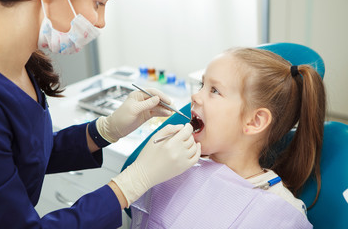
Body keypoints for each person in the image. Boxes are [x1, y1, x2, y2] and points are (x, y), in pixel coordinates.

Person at [0, 0, 201, 228]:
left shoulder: (17, 64)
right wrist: (129, 185)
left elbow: (26, 154)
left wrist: (105, 130)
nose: (101, 21)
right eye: (99, 3)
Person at [130, 47, 326, 228]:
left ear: (255, 121)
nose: (195, 96)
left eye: (214, 90)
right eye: (202, 84)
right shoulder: (174, 165)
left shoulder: (281, 214)